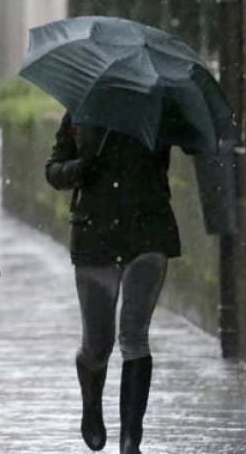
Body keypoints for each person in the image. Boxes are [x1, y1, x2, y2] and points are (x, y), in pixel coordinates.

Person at [45, 111, 181, 454]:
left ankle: (130, 439)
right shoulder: (83, 107)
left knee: (134, 336)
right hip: (95, 238)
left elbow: (191, 146)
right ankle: (92, 407)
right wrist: (82, 167)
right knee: (97, 344)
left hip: (147, 234)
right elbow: (54, 170)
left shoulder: (158, 108)